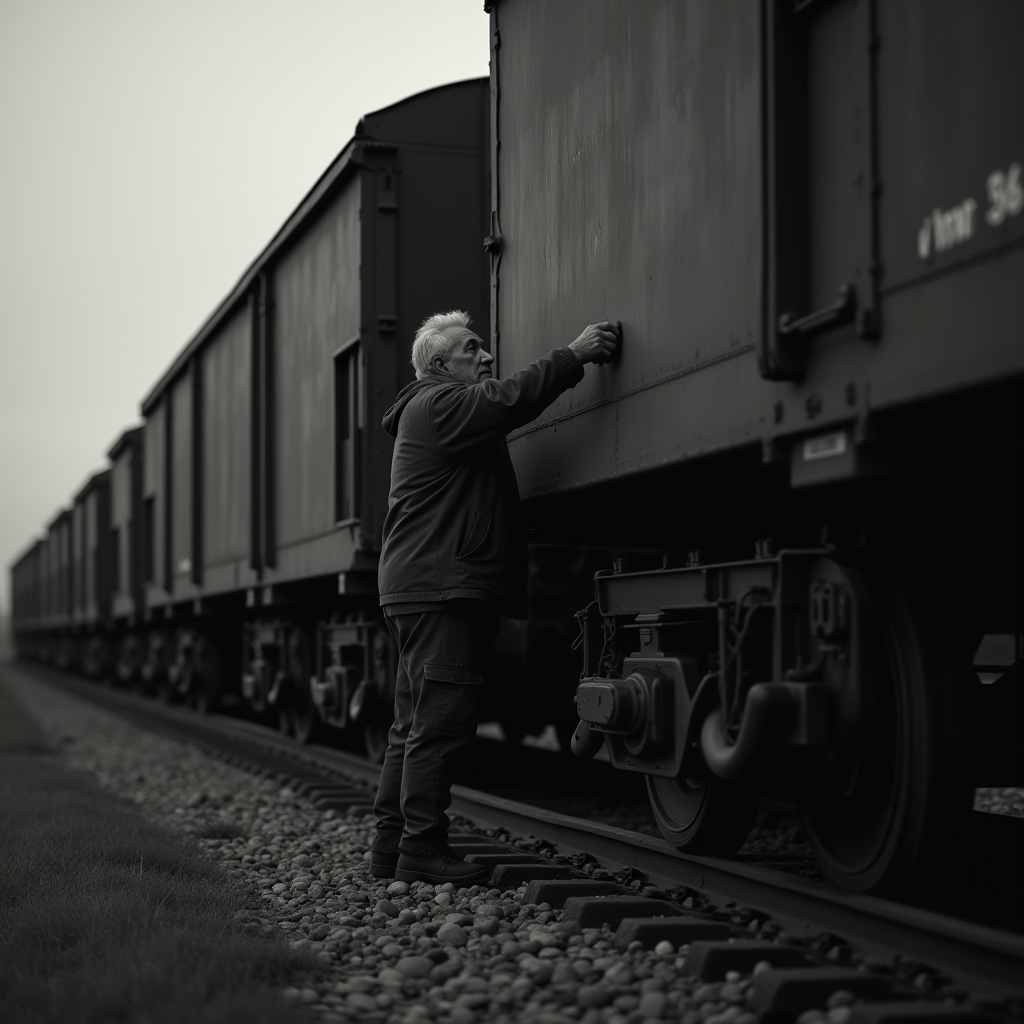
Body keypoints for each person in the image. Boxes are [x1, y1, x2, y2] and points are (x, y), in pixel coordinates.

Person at [370, 310, 620, 884]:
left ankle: (391, 849)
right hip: (440, 587)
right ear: (439, 364)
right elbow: (509, 399)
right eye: (470, 349)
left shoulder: (432, 411)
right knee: (440, 724)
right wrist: (573, 355)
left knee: (411, 724)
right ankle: (422, 851)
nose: (484, 357)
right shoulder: (439, 404)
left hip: (418, 585)